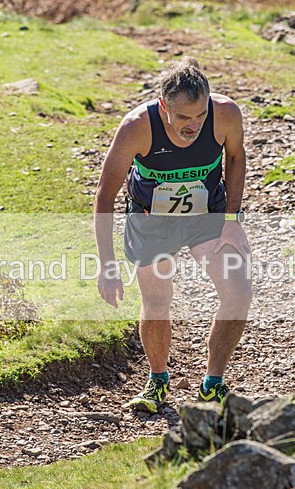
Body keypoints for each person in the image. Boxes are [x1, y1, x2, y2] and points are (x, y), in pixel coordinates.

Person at [93, 56, 253, 413]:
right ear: (163, 106)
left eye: (199, 116)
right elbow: (105, 195)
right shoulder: (137, 126)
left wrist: (231, 218)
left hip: (207, 214)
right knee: (157, 300)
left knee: (238, 291)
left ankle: (213, 382)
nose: (192, 126)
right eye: (182, 117)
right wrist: (107, 265)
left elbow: (236, 158)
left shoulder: (226, 114)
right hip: (152, 220)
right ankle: (157, 381)